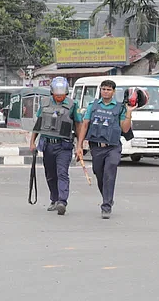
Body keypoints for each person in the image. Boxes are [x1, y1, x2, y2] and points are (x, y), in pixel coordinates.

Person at [76, 79, 135, 219]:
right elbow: (85, 125)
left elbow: (125, 128)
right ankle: (107, 197)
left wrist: (129, 112)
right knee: (99, 173)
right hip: (96, 147)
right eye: (103, 89)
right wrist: (79, 145)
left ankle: (106, 205)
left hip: (113, 147)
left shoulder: (120, 108)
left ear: (113, 92)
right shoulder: (93, 106)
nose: (105, 91)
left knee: (110, 172)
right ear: (100, 90)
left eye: (108, 89)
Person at [29, 77, 82, 215]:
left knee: (62, 173)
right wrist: (32, 142)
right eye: (57, 94)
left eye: (62, 94)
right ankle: (54, 199)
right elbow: (38, 123)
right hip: (47, 145)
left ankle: (62, 202)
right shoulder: (45, 103)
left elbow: (78, 124)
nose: (59, 96)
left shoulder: (72, 105)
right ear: (52, 92)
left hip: (64, 146)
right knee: (50, 174)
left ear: (66, 93)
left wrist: (80, 145)